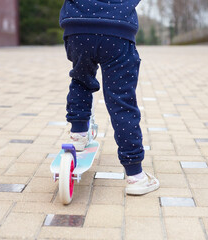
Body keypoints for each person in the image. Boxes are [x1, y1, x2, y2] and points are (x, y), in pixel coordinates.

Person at [59, 0, 159, 195]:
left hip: (78, 28)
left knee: (81, 79)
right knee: (121, 101)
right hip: (117, 29)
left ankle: (78, 133)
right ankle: (135, 175)